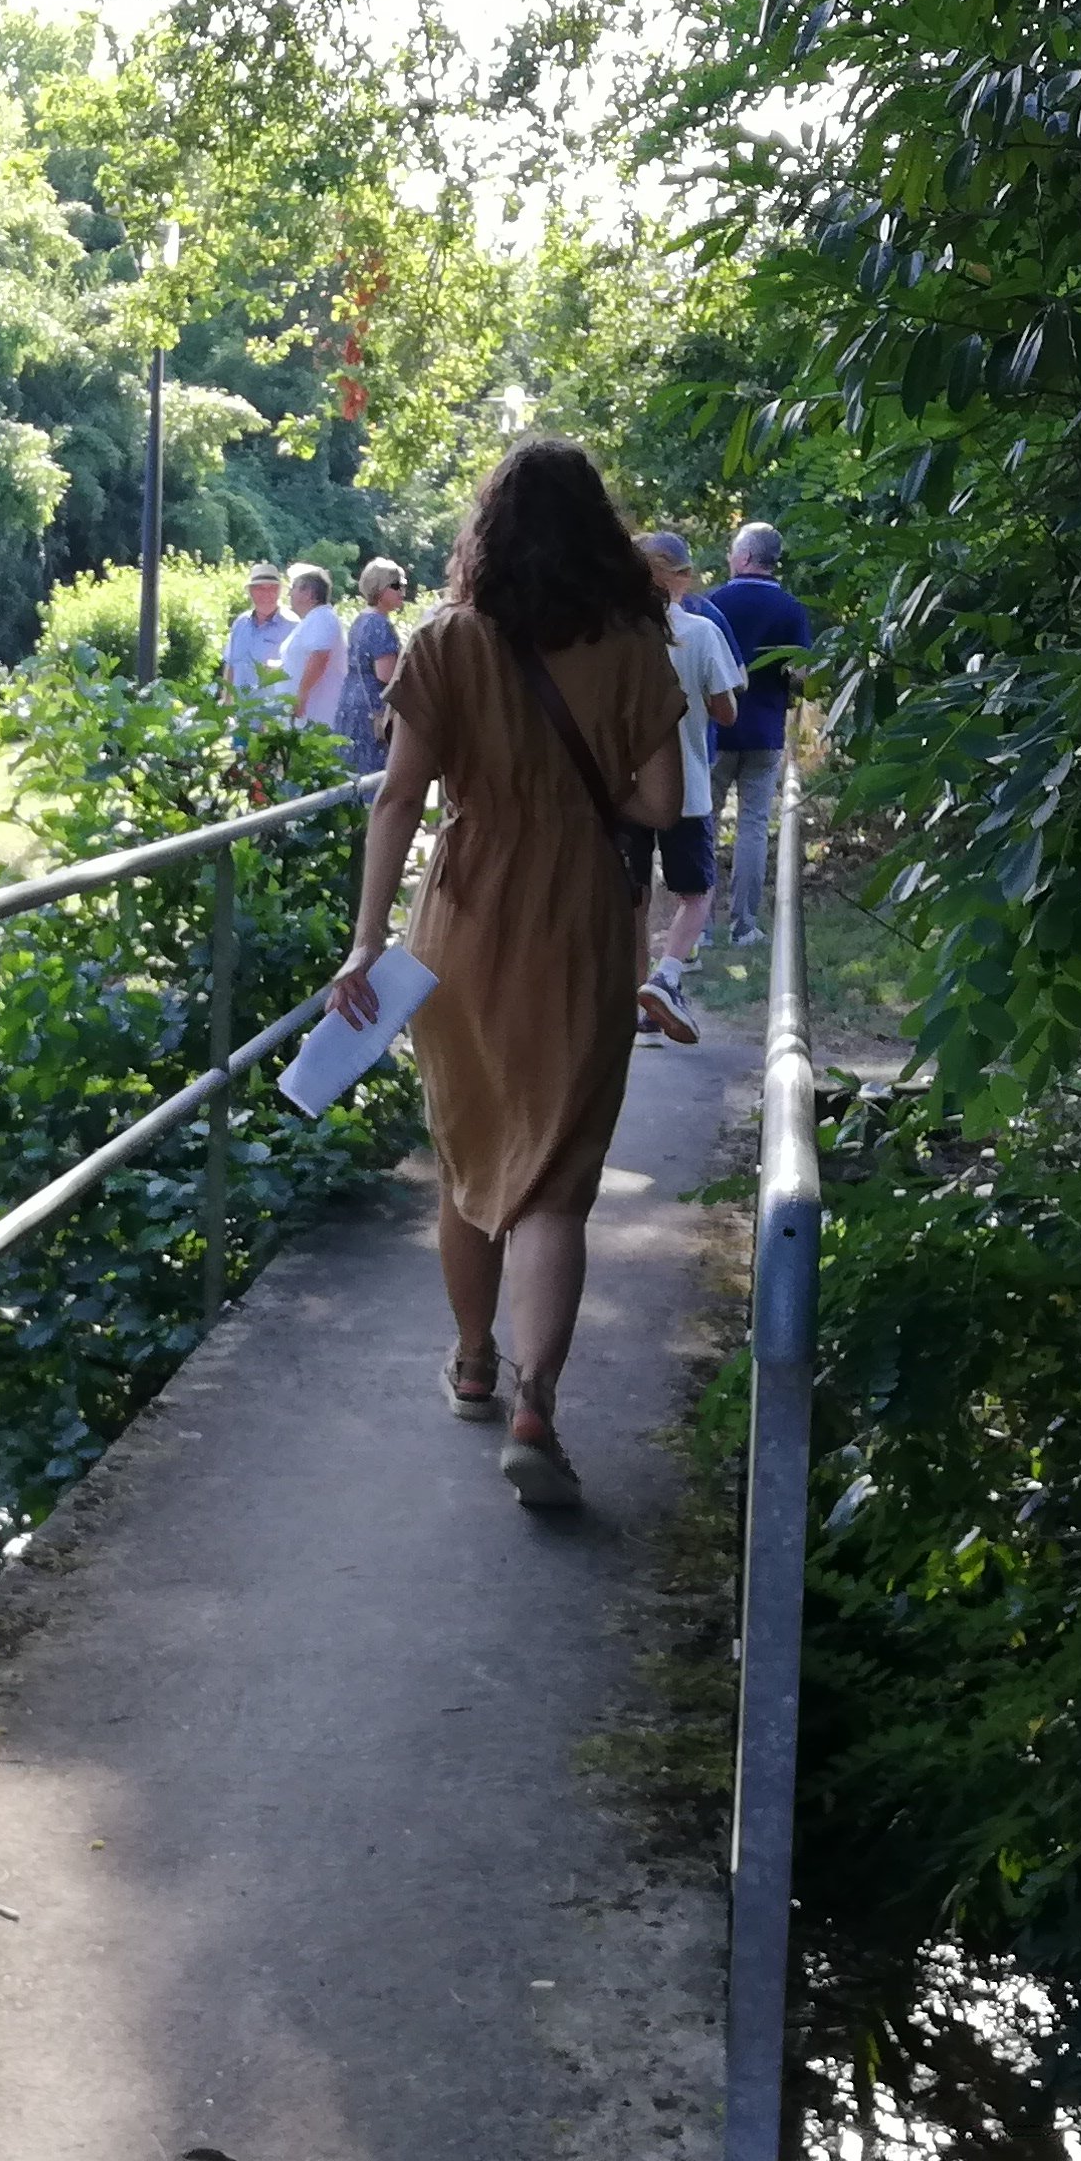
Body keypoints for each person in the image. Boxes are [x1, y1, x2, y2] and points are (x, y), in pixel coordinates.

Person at [324, 438, 681, 1512]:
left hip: (462, 915)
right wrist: (579, 816)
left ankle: (472, 1359)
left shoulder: (443, 643)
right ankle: (537, 1405)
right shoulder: (634, 644)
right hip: (576, 915)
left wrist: (366, 940)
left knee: (471, 1151)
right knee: (556, 1180)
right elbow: (662, 806)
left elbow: (397, 800)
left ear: (489, 534)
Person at [633, 528, 743, 1046]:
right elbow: (726, 710)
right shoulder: (699, 632)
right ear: (684, 577)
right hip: (687, 786)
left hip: (626, 791)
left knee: (632, 896)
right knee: (695, 893)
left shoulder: (615, 635)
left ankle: (634, 995)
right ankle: (667, 975)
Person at [700, 522, 816, 950]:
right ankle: (744, 924)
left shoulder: (712, 603)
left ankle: (701, 926)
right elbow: (802, 674)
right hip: (765, 731)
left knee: (705, 825)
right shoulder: (790, 609)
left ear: (746, 557)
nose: (729, 558)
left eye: (733, 551)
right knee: (752, 827)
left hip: (714, 730)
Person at [334, 557, 409, 773]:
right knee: (373, 773)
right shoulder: (379, 624)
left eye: (403, 585)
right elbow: (387, 674)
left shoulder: (361, 619)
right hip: (372, 710)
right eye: (396, 586)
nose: (402, 591)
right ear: (379, 588)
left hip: (351, 701)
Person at [279, 562, 347, 733]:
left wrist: (300, 697)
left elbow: (319, 656)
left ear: (309, 593)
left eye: (294, 587)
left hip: (315, 717)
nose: (289, 593)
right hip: (304, 719)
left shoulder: (322, 618)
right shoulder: (313, 619)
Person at [217, 561, 295, 705]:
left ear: (278, 591)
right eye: (260, 588)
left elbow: (296, 672)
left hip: (272, 714)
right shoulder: (240, 623)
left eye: (271, 588)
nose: (266, 594)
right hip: (239, 714)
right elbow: (231, 666)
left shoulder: (292, 626)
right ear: (250, 592)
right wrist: (226, 702)